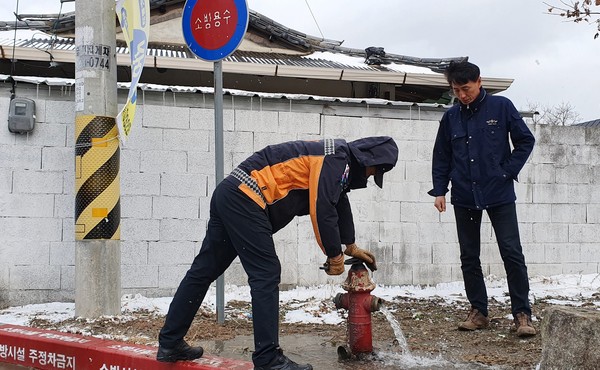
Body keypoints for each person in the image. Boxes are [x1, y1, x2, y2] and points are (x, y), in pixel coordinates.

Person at [157, 136, 399, 369]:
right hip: (247, 197)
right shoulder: (335, 158)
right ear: (369, 161)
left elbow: (338, 200)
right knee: (266, 273)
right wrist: (334, 254)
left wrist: (350, 245)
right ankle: (268, 359)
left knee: (203, 271)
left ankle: (170, 343)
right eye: (374, 172)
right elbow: (322, 207)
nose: (369, 178)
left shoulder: (336, 157)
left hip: (231, 193)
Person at [428, 61, 536, 337]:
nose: (462, 95)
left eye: (466, 89)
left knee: (512, 253)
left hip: (498, 194)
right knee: (469, 256)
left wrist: (507, 172)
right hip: (464, 195)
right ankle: (479, 311)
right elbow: (442, 155)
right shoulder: (451, 117)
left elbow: (525, 140)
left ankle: (522, 314)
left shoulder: (502, 108)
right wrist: (440, 190)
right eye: (456, 90)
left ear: (479, 81)